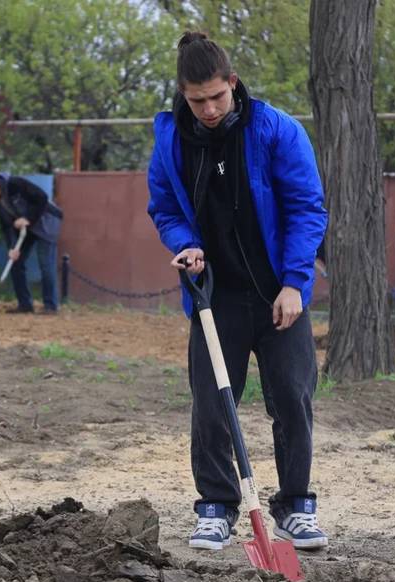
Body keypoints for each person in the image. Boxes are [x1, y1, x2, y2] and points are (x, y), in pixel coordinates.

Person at [147, 32, 329, 551]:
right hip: (215, 297)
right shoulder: (171, 142)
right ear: (182, 93)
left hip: (278, 295)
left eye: (216, 97)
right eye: (196, 99)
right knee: (211, 404)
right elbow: (165, 208)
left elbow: (306, 208)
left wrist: (295, 282)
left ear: (233, 82)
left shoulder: (276, 131)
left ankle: (296, 507)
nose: (207, 109)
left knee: (293, 400)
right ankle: (217, 507)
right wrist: (186, 244)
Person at [0, 173, 63, 314]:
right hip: (25, 230)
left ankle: (50, 306)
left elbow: (42, 198)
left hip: (46, 223)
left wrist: (28, 218)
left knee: (46, 264)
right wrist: (12, 247)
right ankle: (25, 304)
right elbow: (6, 227)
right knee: (15, 262)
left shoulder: (15, 184)